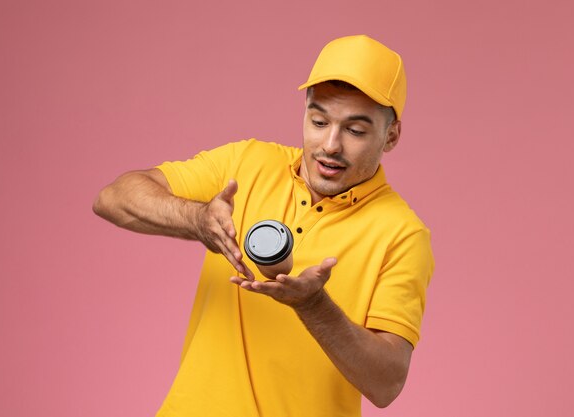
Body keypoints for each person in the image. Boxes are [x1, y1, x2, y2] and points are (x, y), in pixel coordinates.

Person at [93, 35, 434, 417]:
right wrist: (198, 220)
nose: (330, 145)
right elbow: (113, 198)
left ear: (391, 136)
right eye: (318, 121)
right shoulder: (247, 164)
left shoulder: (403, 233)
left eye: (355, 131)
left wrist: (313, 305)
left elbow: (386, 383)